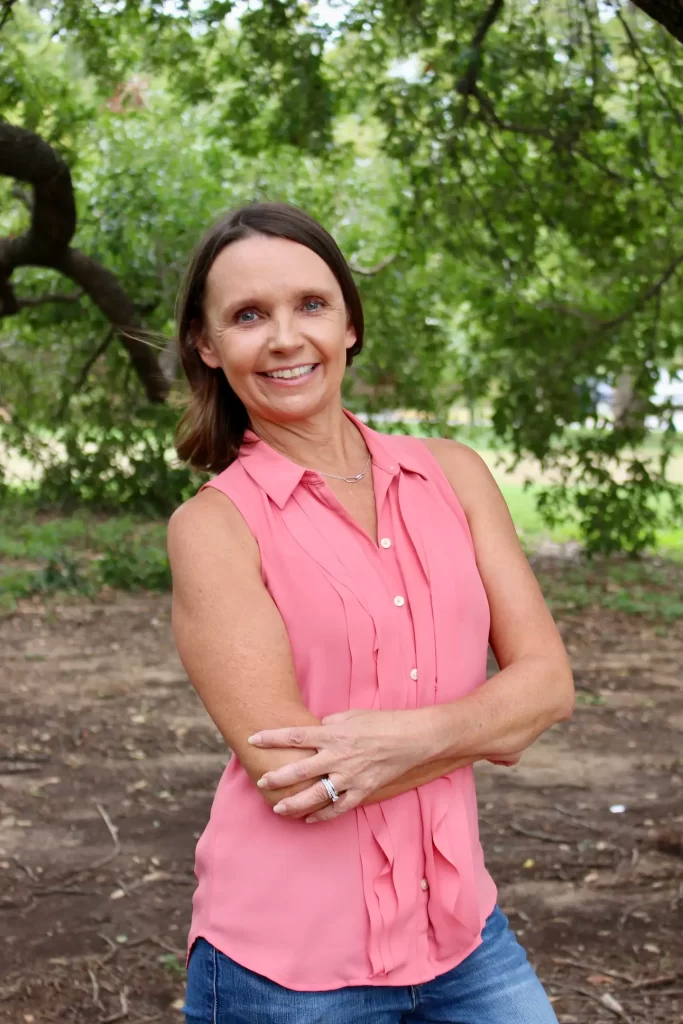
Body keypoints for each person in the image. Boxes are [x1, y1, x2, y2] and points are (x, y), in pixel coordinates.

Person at [168, 201, 574, 1024]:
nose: (284, 338)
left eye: (309, 305)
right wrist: (485, 725)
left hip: (462, 936)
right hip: (286, 967)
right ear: (208, 349)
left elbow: (548, 687)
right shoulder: (211, 528)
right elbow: (300, 780)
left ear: (348, 323)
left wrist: (394, 741)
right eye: (248, 316)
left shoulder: (453, 476)